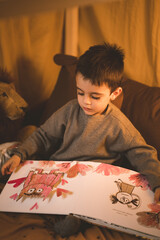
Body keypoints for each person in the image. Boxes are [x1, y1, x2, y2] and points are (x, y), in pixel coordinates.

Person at [1, 42, 160, 203]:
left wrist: (157, 183)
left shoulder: (118, 124)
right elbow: (43, 135)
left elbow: (142, 153)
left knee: (93, 200)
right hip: (59, 173)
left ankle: (75, 219)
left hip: (92, 181)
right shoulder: (70, 110)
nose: (86, 102)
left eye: (95, 96)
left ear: (114, 93)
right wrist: (20, 154)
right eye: (80, 92)